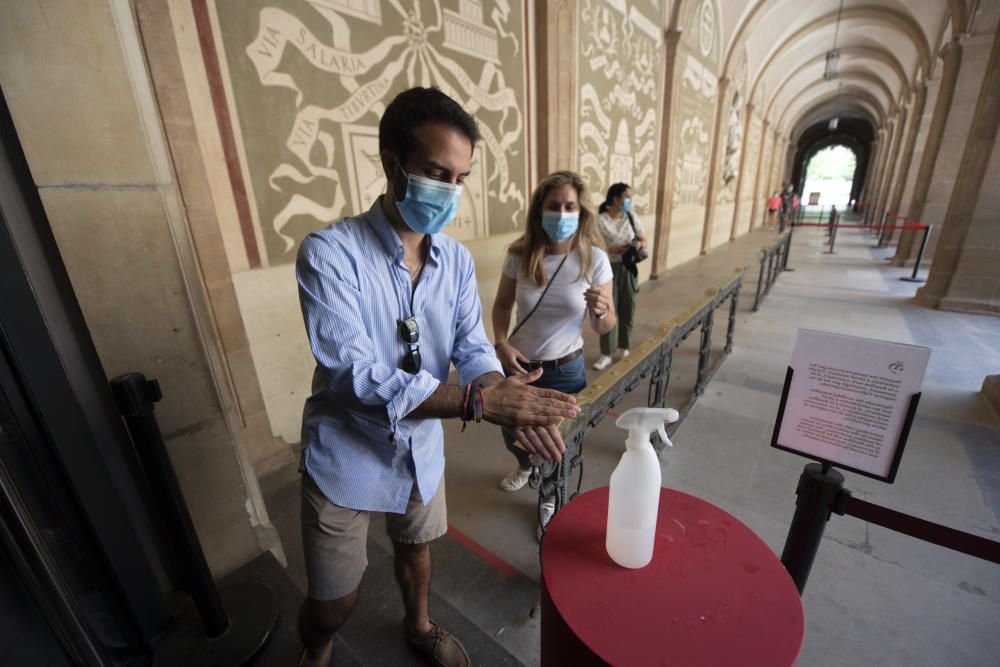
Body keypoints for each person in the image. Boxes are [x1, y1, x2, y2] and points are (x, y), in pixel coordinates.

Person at [294, 87, 581, 667]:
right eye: (434, 172)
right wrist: (478, 404)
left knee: (418, 549)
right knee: (334, 602)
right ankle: (317, 647)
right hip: (345, 450)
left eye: (459, 178)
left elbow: (473, 343)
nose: (448, 191)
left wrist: (502, 391)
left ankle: (419, 623)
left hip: (419, 444)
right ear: (391, 163)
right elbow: (353, 375)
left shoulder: (454, 261)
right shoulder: (329, 254)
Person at [491, 171, 616, 536]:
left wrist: (602, 309)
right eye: (553, 206)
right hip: (519, 367)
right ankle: (525, 465)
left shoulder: (594, 259)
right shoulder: (519, 255)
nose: (561, 214)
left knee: (556, 443)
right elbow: (501, 305)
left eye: (569, 207)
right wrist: (500, 341)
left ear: (581, 212)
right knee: (511, 433)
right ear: (539, 210)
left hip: (565, 369)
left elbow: (605, 328)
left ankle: (549, 495)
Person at [593, 183, 646, 371]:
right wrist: (611, 249)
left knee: (627, 306)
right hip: (605, 269)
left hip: (627, 267)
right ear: (616, 199)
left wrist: (638, 244)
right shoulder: (599, 220)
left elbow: (643, 238)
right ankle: (606, 352)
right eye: (627, 197)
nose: (630, 201)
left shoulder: (631, 217)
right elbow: (592, 244)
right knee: (606, 309)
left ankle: (624, 346)